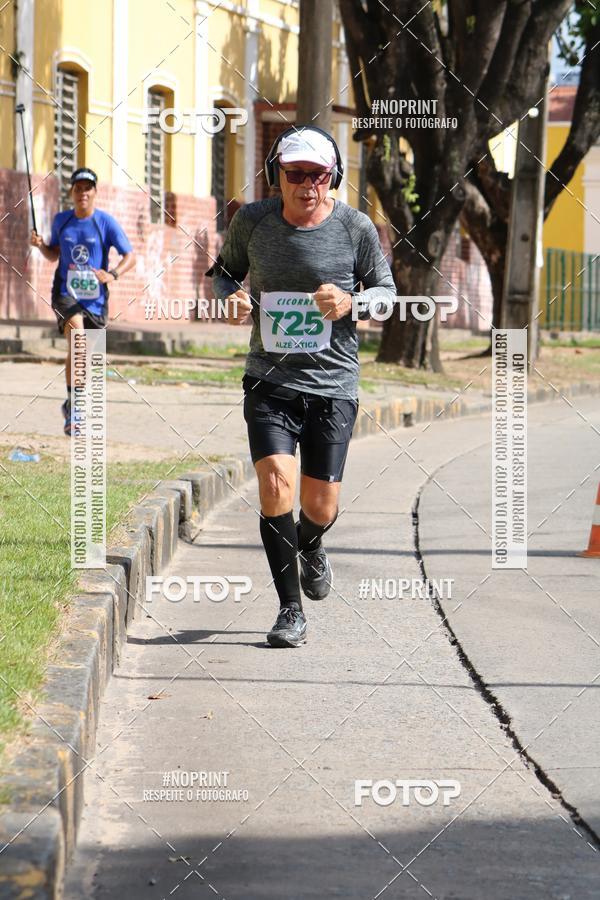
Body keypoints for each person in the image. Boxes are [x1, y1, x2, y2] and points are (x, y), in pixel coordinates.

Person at [209, 126, 395, 648]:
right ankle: (290, 610)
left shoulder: (355, 229)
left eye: (317, 175)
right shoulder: (253, 221)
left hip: (333, 383)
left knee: (320, 507)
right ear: (278, 176)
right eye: (296, 174)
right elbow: (224, 272)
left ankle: (311, 543)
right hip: (269, 379)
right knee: (274, 488)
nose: (307, 184)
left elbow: (387, 293)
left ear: (332, 177)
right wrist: (231, 298)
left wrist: (353, 302)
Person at [30, 167, 135, 435]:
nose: (82, 193)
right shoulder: (62, 220)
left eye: (87, 188)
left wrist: (111, 275)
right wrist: (41, 245)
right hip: (65, 294)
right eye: (78, 188)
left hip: (96, 299)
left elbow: (129, 256)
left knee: (83, 355)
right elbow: (54, 254)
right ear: (72, 193)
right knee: (77, 341)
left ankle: (70, 403)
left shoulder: (106, 222)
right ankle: (75, 411)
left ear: (95, 193)